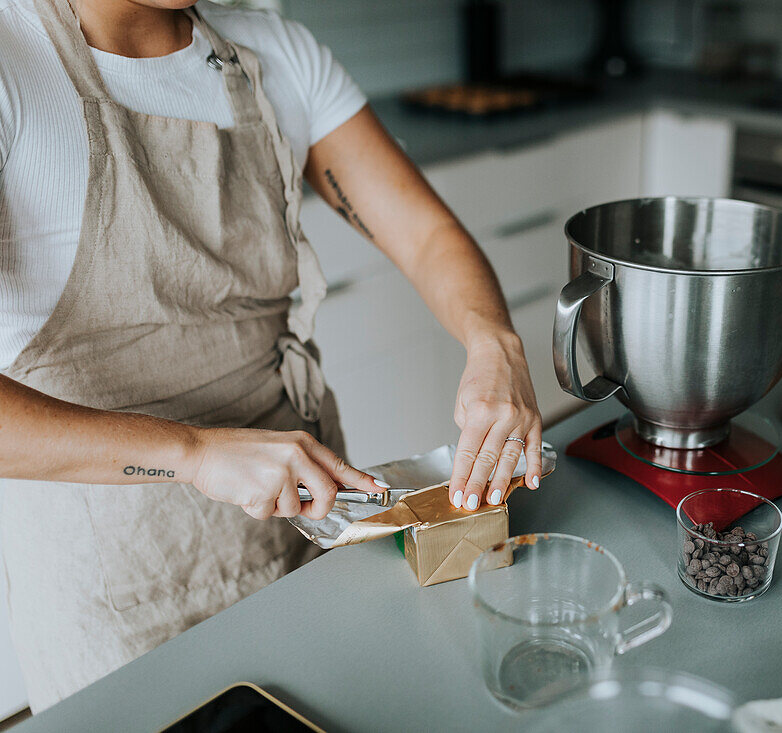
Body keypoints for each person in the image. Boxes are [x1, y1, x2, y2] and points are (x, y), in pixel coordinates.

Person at [0, 0, 542, 711]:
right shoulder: (13, 63)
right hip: (115, 579)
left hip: (302, 527)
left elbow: (425, 234)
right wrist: (195, 453)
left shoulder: (272, 54)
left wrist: (495, 343)